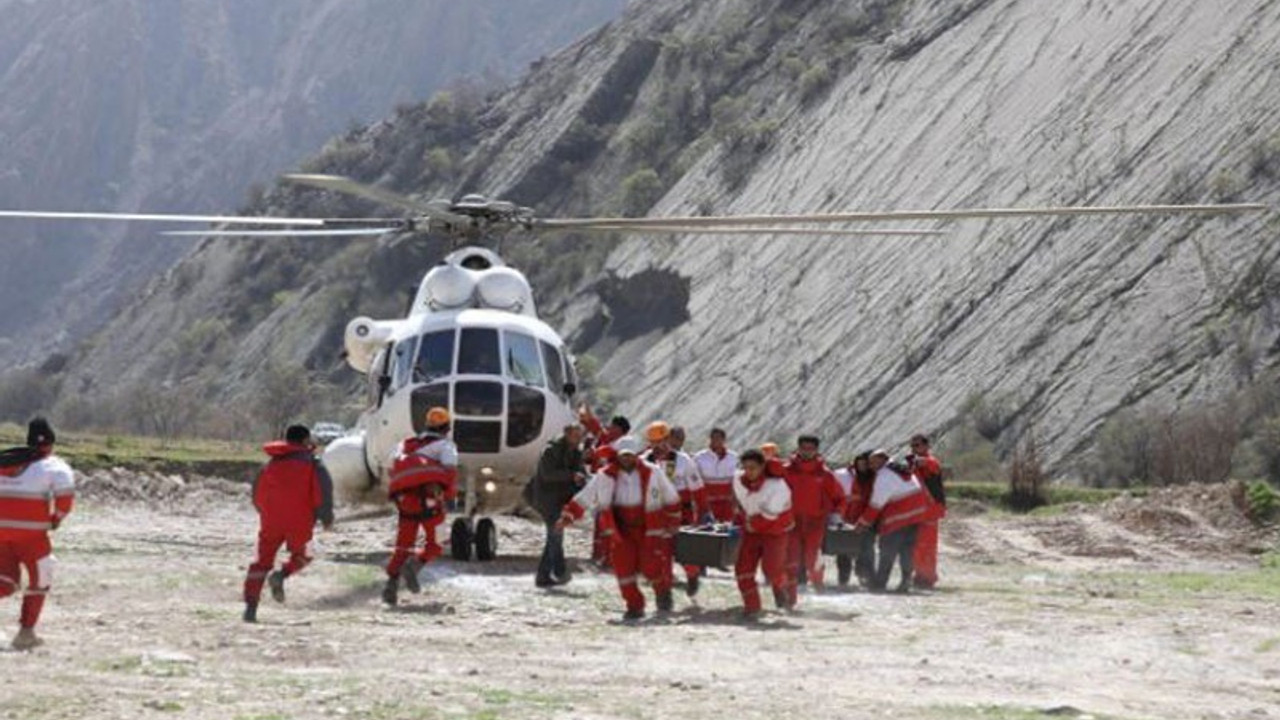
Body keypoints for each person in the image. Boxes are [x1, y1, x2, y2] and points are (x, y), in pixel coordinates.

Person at [557, 436, 681, 621]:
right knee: (623, 570)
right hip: (620, 529)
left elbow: (671, 496)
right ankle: (634, 606)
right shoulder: (605, 475)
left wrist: (673, 521)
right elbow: (586, 495)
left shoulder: (653, 472)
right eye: (623, 455)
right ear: (617, 455)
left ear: (636, 455)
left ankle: (663, 593)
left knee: (651, 567)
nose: (626, 459)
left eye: (630, 455)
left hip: (648, 527)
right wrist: (569, 515)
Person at [243, 424, 334, 623]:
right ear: (304, 440)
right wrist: (326, 517)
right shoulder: (313, 463)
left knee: (260, 562)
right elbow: (323, 493)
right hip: (300, 521)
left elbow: (257, 494)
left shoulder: (271, 463)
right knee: (305, 554)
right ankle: (281, 575)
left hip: (271, 521)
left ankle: (250, 608)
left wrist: (265, 512)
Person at [0, 418, 74, 649]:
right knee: (41, 577)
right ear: (51, 444)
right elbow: (65, 498)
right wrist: (56, 519)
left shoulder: (5, 461)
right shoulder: (54, 466)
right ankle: (26, 633)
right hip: (32, 536)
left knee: (5, 582)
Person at [383, 407, 459, 606]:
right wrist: (449, 496)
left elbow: (391, 469)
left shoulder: (404, 444)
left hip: (405, 503)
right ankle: (415, 566)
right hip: (431, 503)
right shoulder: (445, 446)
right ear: (447, 428)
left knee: (403, 546)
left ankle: (390, 585)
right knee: (437, 543)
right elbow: (450, 473)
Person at [853, 449, 941, 593]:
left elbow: (875, 505)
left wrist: (862, 523)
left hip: (898, 519)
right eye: (870, 463)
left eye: (873, 462)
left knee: (887, 551)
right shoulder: (901, 469)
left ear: (882, 460)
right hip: (916, 517)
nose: (871, 466)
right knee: (907, 551)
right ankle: (906, 580)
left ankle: (880, 583)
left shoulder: (884, 477)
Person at [643, 423, 707, 597]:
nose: (658, 445)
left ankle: (692, 575)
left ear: (667, 439)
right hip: (657, 514)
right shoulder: (644, 461)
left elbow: (698, 489)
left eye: (661, 441)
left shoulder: (683, 461)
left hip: (682, 514)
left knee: (683, 552)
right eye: (653, 442)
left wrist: (703, 513)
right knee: (661, 554)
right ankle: (664, 595)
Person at [732, 449, 794, 618]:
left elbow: (770, 516)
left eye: (753, 467)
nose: (748, 472)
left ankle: (781, 588)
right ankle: (752, 608)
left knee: (772, 569)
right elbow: (742, 502)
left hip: (775, 530)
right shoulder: (738, 480)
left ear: (762, 467)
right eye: (745, 467)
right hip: (752, 528)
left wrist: (752, 523)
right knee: (742, 569)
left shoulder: (778, 486)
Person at [783, 435, 846, 594]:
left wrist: (837, 514)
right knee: (792, 554)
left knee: (813, 555)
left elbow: (839, 497)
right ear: (798, 448)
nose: (806, 452)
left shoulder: (825, 474)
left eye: (810, 449)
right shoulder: (786, 470)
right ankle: (792, 586)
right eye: (803, 448)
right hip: (791, 521)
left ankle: (818, 584)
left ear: (816, 450)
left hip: (815, 522)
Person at [531, 424, 586, 588]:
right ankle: (559, 571)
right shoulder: (551, 450)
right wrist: (571, 476)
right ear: (567, 434)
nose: (579, 439)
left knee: (554, 535)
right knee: (555, 534)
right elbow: (547, 475)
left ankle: (545, 575)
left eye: (580, 436)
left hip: (561, 499)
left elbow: (580, 469)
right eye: (576, 435)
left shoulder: (576, 452)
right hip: (547, 499)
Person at [579, 407, 630, 567]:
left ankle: (609, 557)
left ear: (621, 430)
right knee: (599, 521)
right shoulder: (604, 438)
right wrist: (585, 415)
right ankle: (598, 554)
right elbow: (594, 427)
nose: (609, 428)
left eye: (613, 426)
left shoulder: (624, 447)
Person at [832, 452, 877, 587]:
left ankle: (865, 579)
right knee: (843, 551)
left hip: (868, 518)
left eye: (865, 463)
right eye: (860, 462)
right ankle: (843, 580)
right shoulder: (843, 474)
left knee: (866, 550)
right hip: (846, 517)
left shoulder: (876, 476)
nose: (862, 466)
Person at [907, 434, 946, 589]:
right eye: (912, 446)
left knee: (927, 546)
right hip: (918, 510)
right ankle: (919, 575)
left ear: (926, 446)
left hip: (930, 510)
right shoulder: (915, 464)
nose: (914, 449)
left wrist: (914, 461)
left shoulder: (931, 461)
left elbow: (930, 465)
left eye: (917, 445)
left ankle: (928, 578)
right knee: (916, 545)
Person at [693, 428, 739, 522]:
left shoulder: (733, 457)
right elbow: (695, 482)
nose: (715, 440)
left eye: (718, 438)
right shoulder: (699, 458)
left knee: (727, 532)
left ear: (724, 440)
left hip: (727, 505)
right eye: (713, 438)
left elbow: (737, 481)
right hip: (707, 505)